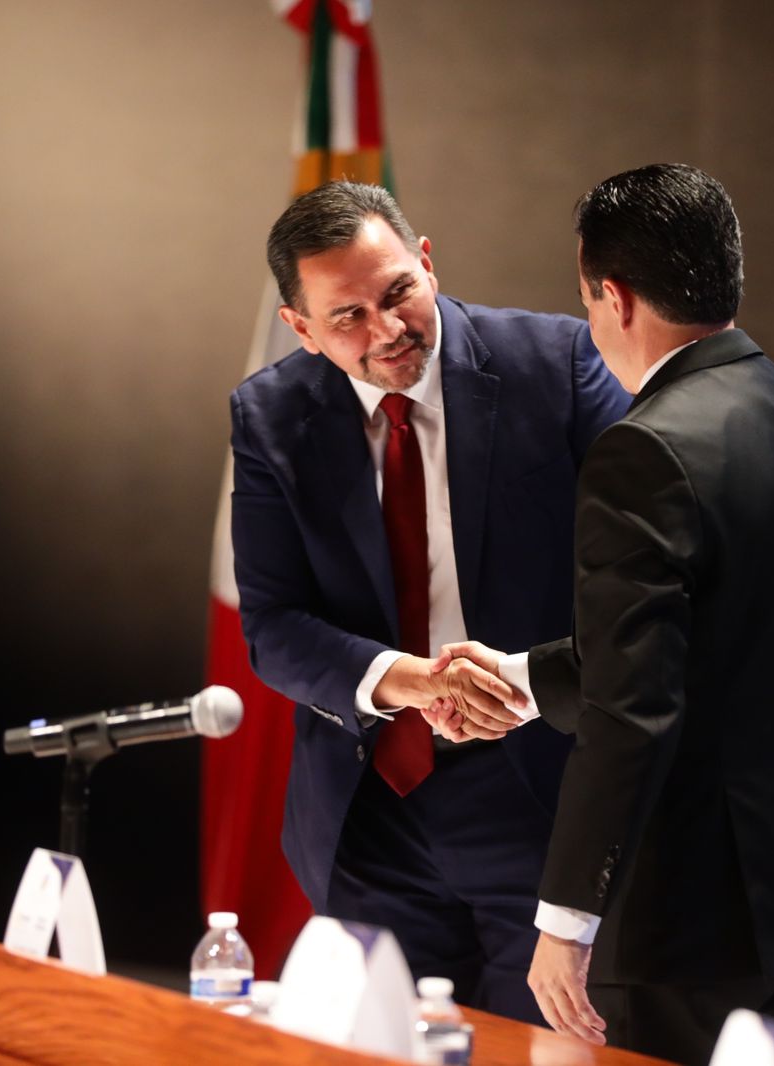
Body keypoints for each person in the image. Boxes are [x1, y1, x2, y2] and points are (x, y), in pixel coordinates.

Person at [426, 163, 774, 1063]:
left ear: (617, 297)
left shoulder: (644, 449)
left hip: (687, 929)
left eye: (587, 301)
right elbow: (709, 648)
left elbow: (635, 711)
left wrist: (565, 920)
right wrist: (517, 680)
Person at [228, 180, 629, 1022]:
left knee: (545, 1049)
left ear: (427, 261)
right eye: (347, 316)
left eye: (398, 291)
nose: (387, 330)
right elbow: (272, 626)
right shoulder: (269, 416)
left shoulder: (557, 363)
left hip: (539, 795)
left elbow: (637, 577)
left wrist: (519, 682)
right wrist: (412, 682)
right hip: (373, 813)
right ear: (300, 328)